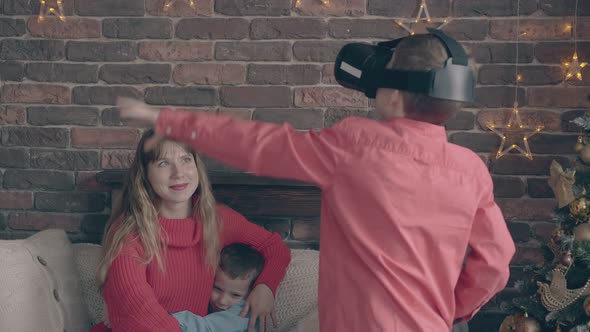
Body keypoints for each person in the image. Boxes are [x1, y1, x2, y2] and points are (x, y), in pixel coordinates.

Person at [117, 31, 515, 331]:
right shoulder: (471, 170)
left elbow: (258, 144)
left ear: (393, 94)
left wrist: (164, 119)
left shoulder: (353, 145)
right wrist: (450, 309)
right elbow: (495, 263)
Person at [92, 129, 291, 332]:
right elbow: (138, 308)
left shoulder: (217, 220)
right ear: (145, 174)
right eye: (163, 163)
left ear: (197, 167)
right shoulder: (129, 232)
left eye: (186, 160)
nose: (178, 173)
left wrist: (265, 287)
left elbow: (274, 247)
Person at [172, 243, 264, 332]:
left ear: (252, 293)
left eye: (235, 295)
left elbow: (206, 328)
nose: (222, 301)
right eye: (217, 288)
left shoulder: (243, 312)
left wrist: (167, 318)